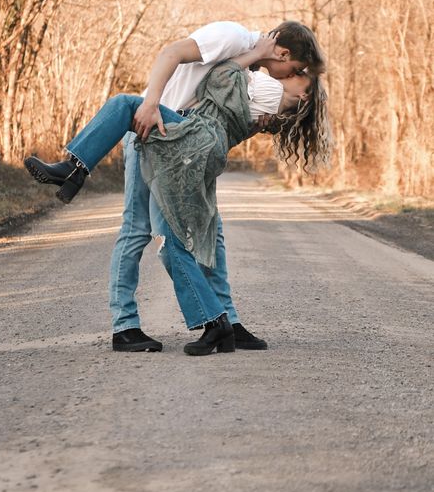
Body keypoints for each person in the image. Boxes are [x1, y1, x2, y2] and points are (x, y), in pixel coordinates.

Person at [25, 23, 330, 356]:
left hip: (184, 140)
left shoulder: (254, 68)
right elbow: (171, 54)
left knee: (182, 234)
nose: (289, 76)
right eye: (296, 70)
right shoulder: (233, 38)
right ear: (283, 53)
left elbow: (222, 93)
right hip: (160, 126)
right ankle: (193, 322)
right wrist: (151, 103)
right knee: (158, 231)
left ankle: (215, 321)